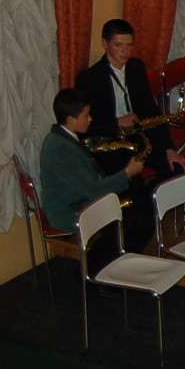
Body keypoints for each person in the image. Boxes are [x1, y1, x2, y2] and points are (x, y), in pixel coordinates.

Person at [38, 89, 151, 263]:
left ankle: (114, 261)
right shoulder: (61, 149)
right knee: (138, 221)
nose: (90, 119)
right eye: (86, 115)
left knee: (139, 203)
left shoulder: (62, 138)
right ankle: (98, 265)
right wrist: (127, 173)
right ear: (71, 119)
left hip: (79, 200)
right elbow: (92, 190)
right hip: (69, 211)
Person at [75, 18, 185, 176]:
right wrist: (117, 123)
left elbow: (151, 110)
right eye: (118, 45)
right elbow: (85, 126)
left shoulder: (136, 67)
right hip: (111, 141)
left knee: (176, 167)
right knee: (133, 179)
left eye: (129, 45)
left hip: (139, 136)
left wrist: (168, 149)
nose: (125, 51)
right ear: (105, 44)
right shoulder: (89, 78)